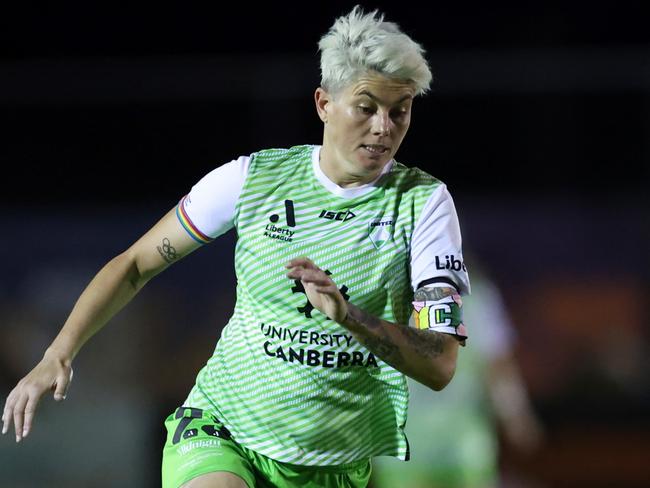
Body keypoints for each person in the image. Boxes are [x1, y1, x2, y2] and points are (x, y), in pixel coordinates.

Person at [2, 6, 470, 488]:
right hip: (221, 426)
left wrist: (349, 317)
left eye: (401, 110)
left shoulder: (425, 205)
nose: (383, 127)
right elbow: (136, 264)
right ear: (323, 104)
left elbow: (439, 362)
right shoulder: (253, 179)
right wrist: (58, 352)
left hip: (333, 463)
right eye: (366, 107)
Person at [371, 263, 544, 488]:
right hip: (451, 450)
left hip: (442, 451)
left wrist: (516, 417)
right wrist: (516, 417)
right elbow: (498, 369)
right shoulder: (476, 297)